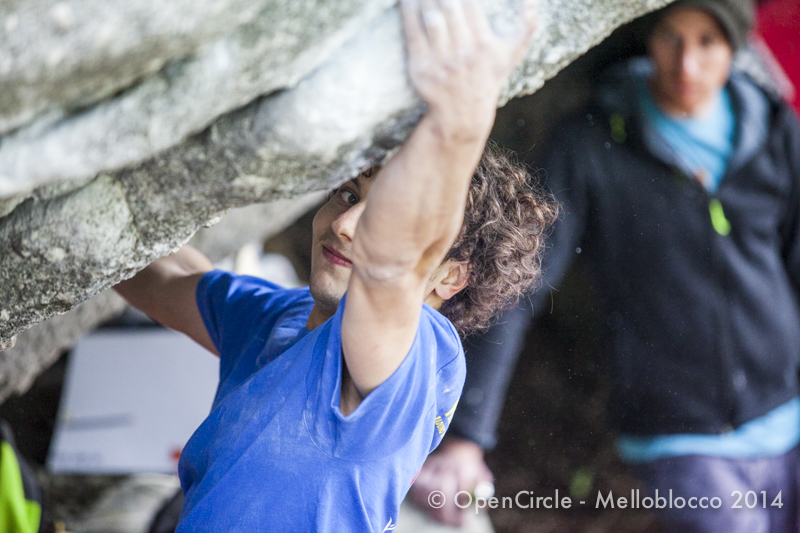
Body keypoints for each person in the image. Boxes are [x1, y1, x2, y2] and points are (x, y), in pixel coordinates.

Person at [114, 0, 556, 530]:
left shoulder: (414, 360)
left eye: (383, 216)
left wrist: (461, 121)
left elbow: (391, 270)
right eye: (347, 195)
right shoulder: (279, 318)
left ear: (449, 276)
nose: (346, 226)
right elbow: (161, 278)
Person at [409, 0, 800, 531]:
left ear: (735, 46)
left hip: (788, 412)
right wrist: (464, 438)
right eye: (670, 38)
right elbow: (517, 282)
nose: (687, 65)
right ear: (645, 35)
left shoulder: (773, 131)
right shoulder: (590, 142)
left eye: (708, 42)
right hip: (679, 434)